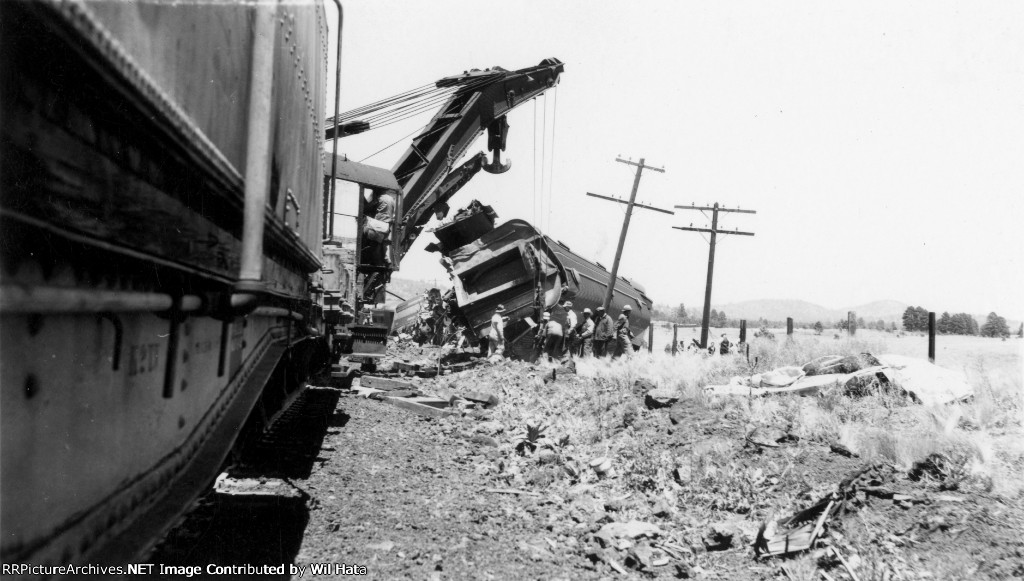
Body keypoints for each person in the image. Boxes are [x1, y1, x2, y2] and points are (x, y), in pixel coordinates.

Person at [360, 188, 397, 302]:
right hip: (386, 226)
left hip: (379, 225)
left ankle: (376, 261)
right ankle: (385, 261)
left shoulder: (380, 199)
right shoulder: (390, 199)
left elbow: (367, 208)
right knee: (382, 249)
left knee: (363, 225)